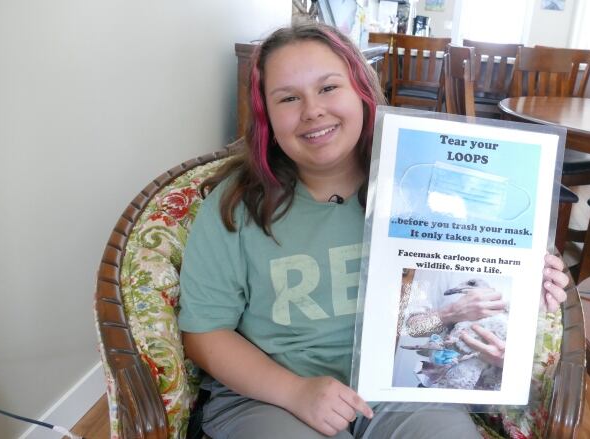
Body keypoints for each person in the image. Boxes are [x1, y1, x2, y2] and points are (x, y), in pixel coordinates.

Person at [177, 21, 569, 439]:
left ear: (361, 91)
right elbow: (204, 334)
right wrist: (295, 392)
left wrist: (530, 281)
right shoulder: (236, 205)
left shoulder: (422, 187)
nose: (312, 110)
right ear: (266, 116)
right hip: (269, 395)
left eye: (329, 88)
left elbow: (424, 325)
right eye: (289, 98)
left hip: (396, 391)